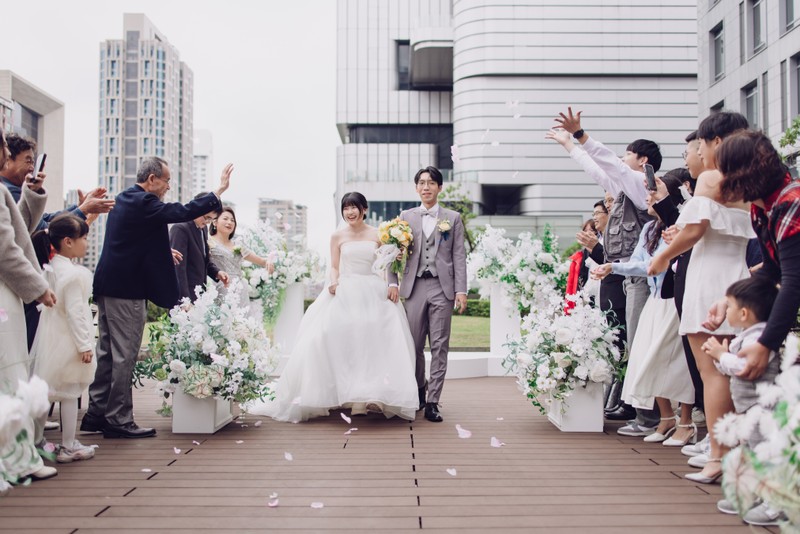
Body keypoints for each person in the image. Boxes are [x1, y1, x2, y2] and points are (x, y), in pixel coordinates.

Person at [80, 158, 232, 439]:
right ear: (152, 179)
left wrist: (163, 252)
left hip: (108, 285)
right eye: (166, 181)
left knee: (107, 353)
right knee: (125, 355)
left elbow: (133, 241)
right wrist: (218, 191)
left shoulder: (125, 198)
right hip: (127, 290)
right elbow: (183, 211)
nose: (168, 187)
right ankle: (119, 419)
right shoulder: (145, 202)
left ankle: (96, 415)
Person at [247, 192, 419, 422]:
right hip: (346, 289)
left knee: (376, 335)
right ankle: (348, 395)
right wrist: (334, 281)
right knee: (327, 336)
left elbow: (386, 264)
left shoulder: (378, 234)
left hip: (373, 289)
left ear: (364, 209)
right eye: (346, 208)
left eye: (354, 207)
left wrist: (392, 283)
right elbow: (335, 266)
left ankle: (374, 395)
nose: (350, 212)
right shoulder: (337, 236)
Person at [547, 108, 661, 431]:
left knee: (639, 344)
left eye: (628, 154)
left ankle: (647, 417)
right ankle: (638, 411)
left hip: (639, 276)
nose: (621, 159)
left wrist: (581, 135)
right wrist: (570, 146)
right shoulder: (625, 187)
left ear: (642, 161)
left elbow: (609, 163)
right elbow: (597, 169)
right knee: (630, 343)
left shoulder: (641, 184)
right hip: (626, 276)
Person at [648, 156, 753, 484]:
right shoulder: (748, 182)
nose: (691, 156)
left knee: (713, 373)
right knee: (729, 372)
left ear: (714, 143)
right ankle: (729, 451)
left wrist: (663, 256)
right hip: (736, 277)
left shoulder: (710, 177)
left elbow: (696, 229)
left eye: (694, 148)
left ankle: (719, 456)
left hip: (709, 280)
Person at [592, 170, 696, 446]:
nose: (648, 198)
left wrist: (616, 266)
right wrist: (613, 266)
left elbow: (660, 263)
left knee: (675, 363)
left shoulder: (681, 226)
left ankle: (686, 422)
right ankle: (666, 419)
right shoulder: (649, 229)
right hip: (655, 302)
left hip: (674, 301)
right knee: (646, 361)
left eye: (653, 193)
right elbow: (641, 263)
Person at [0, 133, 115, 350]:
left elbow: (32, 222)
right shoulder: (7, 191)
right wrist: (38, 288)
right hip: (19, 284)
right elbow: (33, 231)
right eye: (28, 160)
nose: (32, 168)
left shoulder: (10, 190)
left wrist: (80, 211)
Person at [702, 276, 786, 524]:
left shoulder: (760, 339)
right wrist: (720, 358)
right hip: (749, 410)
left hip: (763, 411)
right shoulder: (747, 335)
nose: (725, 310)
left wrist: (722, 355)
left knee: (764, 455)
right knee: (751, 453)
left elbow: (744, 367)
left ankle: (777, 504)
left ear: (744, 313)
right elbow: (733, 368)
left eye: (729, 306)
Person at [386, 167, 468, 423]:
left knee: (440, 345)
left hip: (443, 288)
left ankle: (433, 402)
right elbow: (393, 252)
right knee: (413, 345)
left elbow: (458, 255)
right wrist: (392, 282)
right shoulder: (405, 217)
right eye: (422, 183)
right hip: (414, 287)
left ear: (439, 187)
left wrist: (461, 290)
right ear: (416, 188)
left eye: (431, 183)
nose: (426, 187)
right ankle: (420, 391)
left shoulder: (453, 218)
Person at [0, 129, 58, 482]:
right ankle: (19, 459)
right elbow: (6, 250)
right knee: (11, 372)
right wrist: (38, 288)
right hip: (4, 293)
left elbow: (16, 231)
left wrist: (32, 195)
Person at [29, 215, 97, 463]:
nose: (87, 243)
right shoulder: (72, 274)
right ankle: (68, 444)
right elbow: (76, 313)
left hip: (50, 337)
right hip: (68, 340)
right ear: (68, 241)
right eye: (84, 238)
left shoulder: (51, 267)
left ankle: (36, 441)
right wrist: (84, 345)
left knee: (47, 389)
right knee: (70, 391)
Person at [208, 206, 273, 310]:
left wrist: (269, 261)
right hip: (220, 288)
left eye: (232, 220)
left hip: (240, 290)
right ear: (215, 222)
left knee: (243, 318)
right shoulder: (208, 242)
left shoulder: (238, 244)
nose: (229, 222)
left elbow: (262, 261)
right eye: (225, 219)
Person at [169, 193, 229, 304]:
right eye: (207, 218)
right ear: (196, 207)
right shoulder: (180, 229)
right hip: (184, 298)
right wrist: (184, 301)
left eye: (211, 220)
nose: (207, 222)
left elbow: (204, 260)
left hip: (199, 296)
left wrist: (217, 272)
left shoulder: (203, 229)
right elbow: (178, 269)